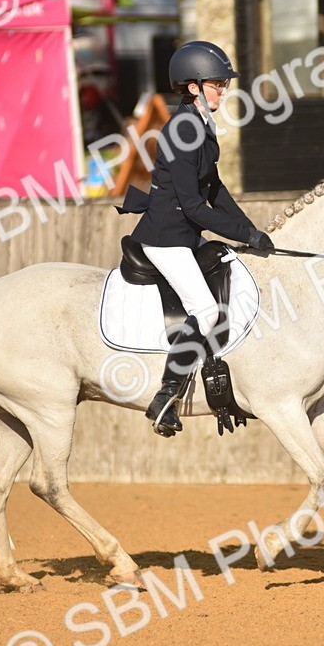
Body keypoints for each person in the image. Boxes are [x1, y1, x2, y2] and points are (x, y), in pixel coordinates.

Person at [123, 40, 274, 436]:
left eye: (224, 85)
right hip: (165, 237)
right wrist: (244, 233)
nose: (223, 91)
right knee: (207, 313)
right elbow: (193, 205)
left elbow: (217, 190)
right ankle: (166, 397)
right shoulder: (182, 129)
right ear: (193, 87)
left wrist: (254, 231)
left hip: (182, 236)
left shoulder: (200, 125)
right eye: (217, 85)